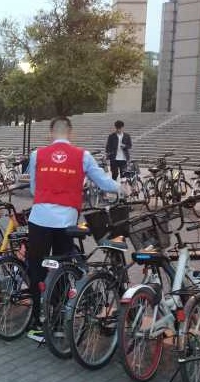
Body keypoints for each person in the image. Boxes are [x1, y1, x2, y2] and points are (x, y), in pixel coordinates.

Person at [27, 116, 121, 333]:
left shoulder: (37, 155)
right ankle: (58, 321)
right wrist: (122, 189)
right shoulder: (83, 156)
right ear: (71, 133)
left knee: (36, 268)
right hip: (65, 221)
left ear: (51, 133)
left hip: (39, 219)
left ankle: (36, 318)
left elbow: (33, 189)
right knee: (62, 267)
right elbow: (104, 182)